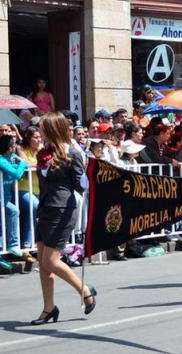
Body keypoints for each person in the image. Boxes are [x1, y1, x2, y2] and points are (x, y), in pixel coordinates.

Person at [32, 116, 96, 325]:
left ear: (53, 130)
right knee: (43, 263)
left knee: (50, 260)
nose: (39, 132)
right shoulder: (43, 153)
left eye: (42, 129)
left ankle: (84, 289)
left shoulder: (73, 152)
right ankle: (48, 308)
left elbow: (81, 185)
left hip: (63, 209)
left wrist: (87, 176)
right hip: (45, 209)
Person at [0, 135, 27, 257]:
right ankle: (13, 243)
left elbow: (25, 164)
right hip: (1, 198)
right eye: (14, 145)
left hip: (5, 197)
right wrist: (20, 165)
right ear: (9, 147)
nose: (15, 147)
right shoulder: (1, 160)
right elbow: (16, 174)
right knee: (13, 211)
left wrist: (20, 164)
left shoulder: (12, 157)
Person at [16, 127, 42, 250]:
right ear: (28, 138)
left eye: (39, 137)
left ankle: (27, 244)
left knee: (29, 214)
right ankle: (34, 241)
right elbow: (25, 163)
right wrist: (41, 162)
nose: (39, 140)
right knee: (35, 206)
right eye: (35, 137)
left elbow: (51, 160)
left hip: (37, 189)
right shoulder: (21, 149)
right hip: (22, 189)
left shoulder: (41, 149)